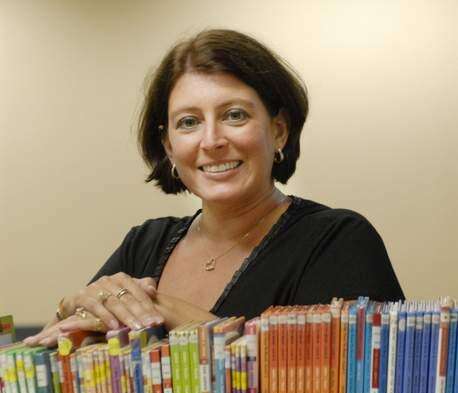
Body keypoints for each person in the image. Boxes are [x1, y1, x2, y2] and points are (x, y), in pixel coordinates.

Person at [25, 29, 403, 347]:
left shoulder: (337, 240)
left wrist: (171, 312)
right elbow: (51, 363)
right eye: (189, 122)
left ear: (278, 131)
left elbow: (331, 388)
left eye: (234, 115)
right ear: (169, 147)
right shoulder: (142, 245)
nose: (211, 141)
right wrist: (70, 308)